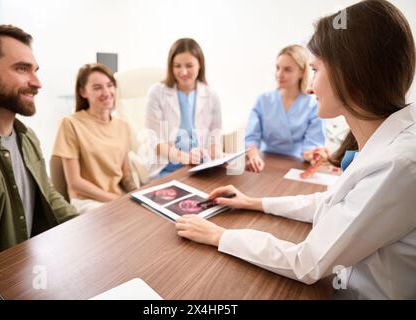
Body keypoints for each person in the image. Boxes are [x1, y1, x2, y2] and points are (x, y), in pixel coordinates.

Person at [175, 0, 416, 299]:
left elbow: (307, 262)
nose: (311, 86)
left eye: (314, 70)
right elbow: (329, 203)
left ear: (351, 74)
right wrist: (254, 202)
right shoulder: (386, 146)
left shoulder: (399, 165)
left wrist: (220, 235)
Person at [0, 23, 77, 262]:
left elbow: (47, 194)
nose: (37, 83)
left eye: (35, 70)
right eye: (22, 69)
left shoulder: (26, 135)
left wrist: (89, 228)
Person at [52, 63, 137, 214]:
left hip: (118, 198)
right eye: (97, 88)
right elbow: (75, 182)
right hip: (88, 202)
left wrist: (137, 194)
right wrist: (115, 199)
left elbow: (125, 174)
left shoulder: (122, 125)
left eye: (110, 85)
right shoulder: (71, 123)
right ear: (83, 92)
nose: (106, 92)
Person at [145, 38, 223, 178]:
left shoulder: (212, 96)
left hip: (200, 167)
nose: (183, 71)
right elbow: (155, 142)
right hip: (166, 169)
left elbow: (215, 138)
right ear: (170, 66)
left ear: (200, 65)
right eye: (177, 66)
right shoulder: (157, 92)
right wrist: (185, 157)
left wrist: (217, 155)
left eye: (189, 65)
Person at [245, 45, 326, 173]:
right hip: (264, 163)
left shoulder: (313, 105)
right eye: (278, 68)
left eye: (287, 70)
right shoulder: (263, 100)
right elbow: (251, 138)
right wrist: (253, 155)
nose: (279, 74)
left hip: (297, 165)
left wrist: (313, 154)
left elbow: (312, 144)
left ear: (302, 72)